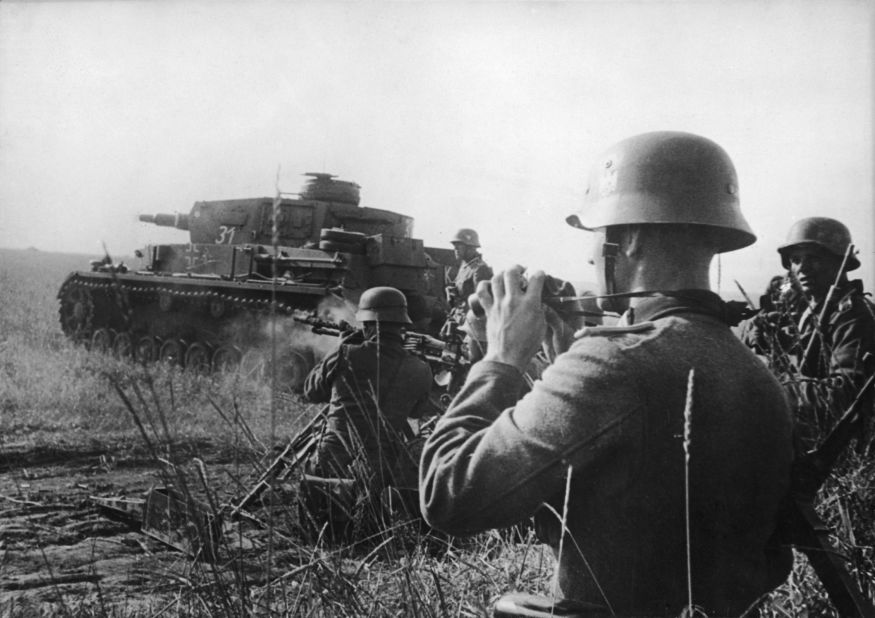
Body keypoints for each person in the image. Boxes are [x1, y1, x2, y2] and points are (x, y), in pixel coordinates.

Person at [419, 131, 794, 617]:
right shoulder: (755, 374)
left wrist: (501, 359)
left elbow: (449, 495)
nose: (593, 256)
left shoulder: (612, 363)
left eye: (597, 237)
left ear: (629, 239)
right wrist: (564, 358)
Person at [301, 286, 436, 533]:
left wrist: (339, 348)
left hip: (333, 462)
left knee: (323, 521)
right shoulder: (421, 368)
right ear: (401, 326)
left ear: (369, 325)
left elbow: (311, 391)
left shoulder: (346, 353)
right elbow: (417, 412)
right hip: (380, 469)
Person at [743, 217, 875, 450]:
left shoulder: (854, 316)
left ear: (840, 263)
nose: (802, 268)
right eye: (795, 260)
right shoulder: (807, 307)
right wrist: (764, 334)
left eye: (814, 258)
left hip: (835, 450)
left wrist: (770, 387)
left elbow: (845, 397)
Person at [443, 228, 494, 362]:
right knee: (450, 360)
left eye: (458, 247)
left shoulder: (480, 269)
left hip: (472, 324)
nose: (455, 250)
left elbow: (481, 301)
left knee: (471, 360)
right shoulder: (464, 266)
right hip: (458, 318)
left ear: (471, 248)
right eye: (454, 247)